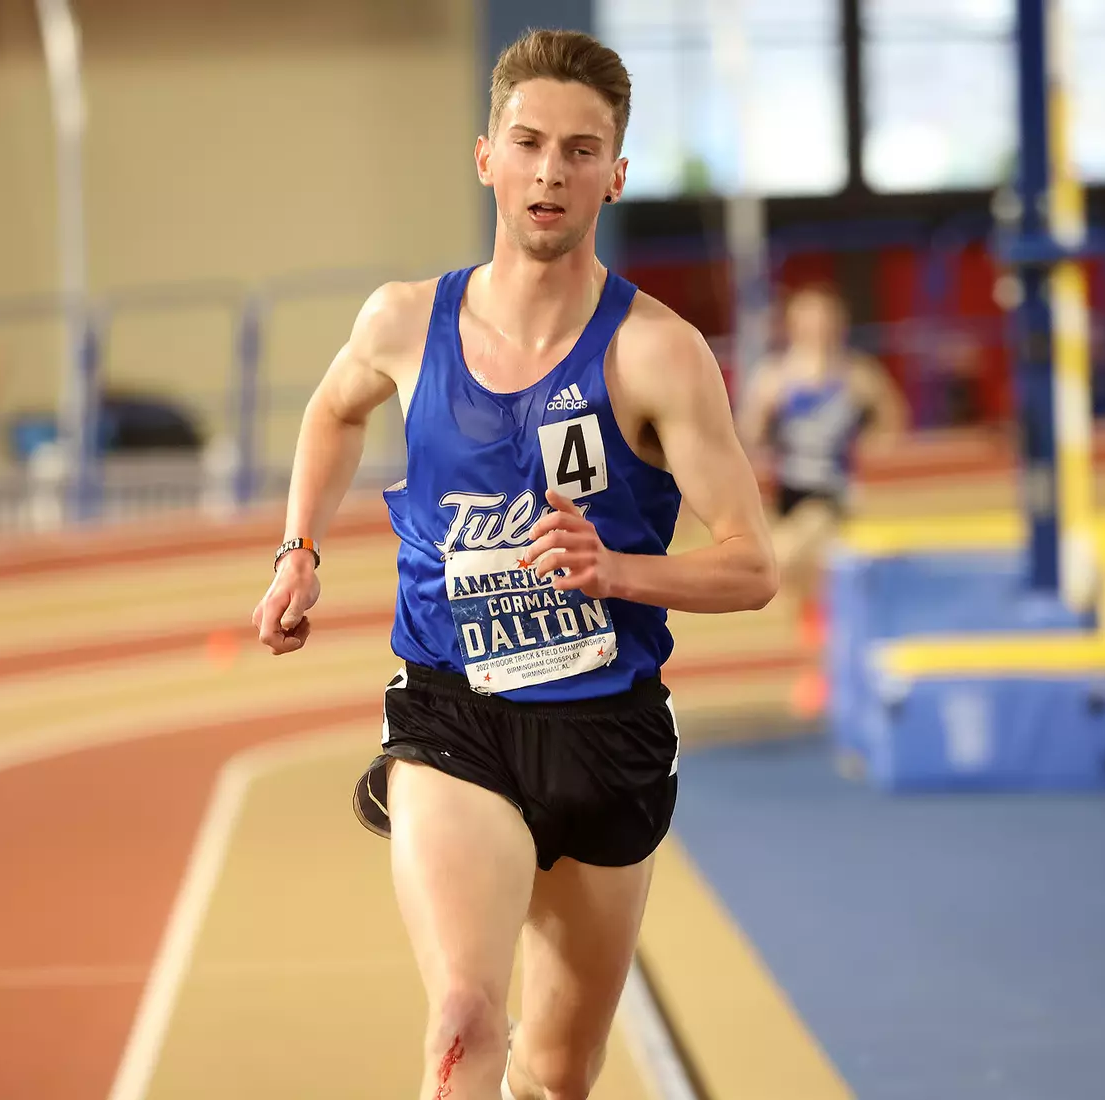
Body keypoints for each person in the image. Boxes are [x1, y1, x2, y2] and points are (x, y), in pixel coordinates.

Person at [250, 29, 777, 1100]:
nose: (550, 170)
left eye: (580, 150)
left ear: (615, 177)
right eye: (528, 142)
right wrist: (298, 547)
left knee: (552, 1071)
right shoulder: (403, 320)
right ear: (484, 155)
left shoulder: (657, 352)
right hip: (454, 712)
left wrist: (617, 570)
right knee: (461, 1019)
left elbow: (750, 566)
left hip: (606, 728)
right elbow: (331, 409)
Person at [738, 282, 906, 635]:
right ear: (792, 324)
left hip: (832, 492)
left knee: (784, 556)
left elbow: (893, 416)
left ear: (837, 323)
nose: (816, 327)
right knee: (798, 584)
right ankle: (816, 641)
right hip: (786, 492)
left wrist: (873, 447)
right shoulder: (773, 376)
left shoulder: (856, 373)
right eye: (807, 318)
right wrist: (765, 420)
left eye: (823, 318)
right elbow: (747, 436)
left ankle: (822, 639)